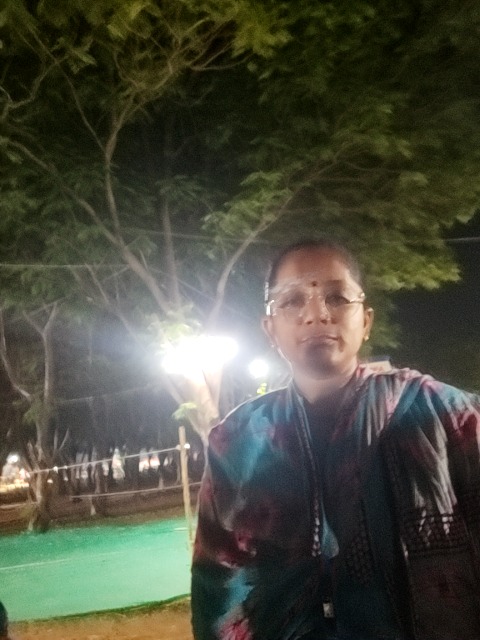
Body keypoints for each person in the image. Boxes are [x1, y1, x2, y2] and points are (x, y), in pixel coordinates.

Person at [191, 238, 480, 640]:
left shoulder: (445, 415)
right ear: (270, 329)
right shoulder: (237, 442)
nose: (316, 314)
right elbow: (216, 587)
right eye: (292, 301)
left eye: (337, 297)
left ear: (366, 321)